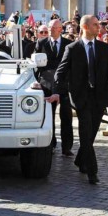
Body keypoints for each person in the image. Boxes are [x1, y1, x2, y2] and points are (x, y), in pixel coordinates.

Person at [50, 15, 108, 185]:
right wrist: (62, 92)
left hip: (100, 97)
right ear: (86, 27)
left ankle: (81, 160)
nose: (99, 27)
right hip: (81, 98)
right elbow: (60, 73)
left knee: (91, 133)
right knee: (85, 132)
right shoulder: (73, 48)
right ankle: (92, 171)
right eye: (96, 25)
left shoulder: (103, 48)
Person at [35, 19, 73, 156]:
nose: (51, 30)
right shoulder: (41, 43)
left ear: (60, 29)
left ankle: (67, 146)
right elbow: (36, 64)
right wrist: (35, 81)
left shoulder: (69, 44)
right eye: (50, 27)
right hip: (46, 84)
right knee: (48, 116)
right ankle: (50, 143)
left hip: (64, 84)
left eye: (54, 27)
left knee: (66, 116)